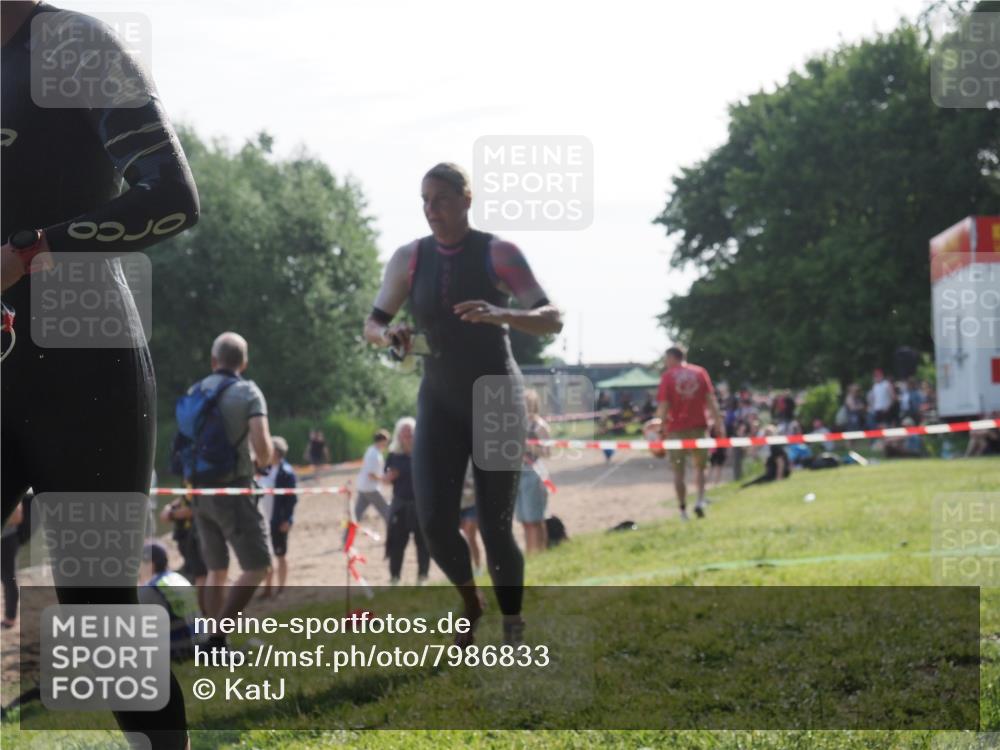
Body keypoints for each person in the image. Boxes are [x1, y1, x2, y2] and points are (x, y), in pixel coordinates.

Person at [1, 3, 199, 747]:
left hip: (85, 368)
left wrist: (29, 250)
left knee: (100, 619)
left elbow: (173, 197)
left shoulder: (71, 44)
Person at [363, 162, 561, 645]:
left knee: (495, 527)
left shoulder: (499, 253)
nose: (432, 210)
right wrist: (391, 336)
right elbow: (372, 325)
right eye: (425, 201)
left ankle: (512, 623)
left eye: (442, 200)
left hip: (497, 397)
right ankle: (471, 602)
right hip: (440, 399)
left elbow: (552, 318)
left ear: (466, 200)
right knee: (433, 522)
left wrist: (504, 314)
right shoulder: (409, 258)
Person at [184, 333, 273, 635]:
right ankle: (218, 637)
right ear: (244, 363)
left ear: (213, 361)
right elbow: (261, 443)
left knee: (216, 570)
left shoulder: (195, 390)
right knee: (258, 566)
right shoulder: (248, 392)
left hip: (198, 490)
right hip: (233, 488)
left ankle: (211, 641)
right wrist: (263, 461)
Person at [656, 345, 725, 520]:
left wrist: (659, 426)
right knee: (700, 468)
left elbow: (664, 406)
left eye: (666, 359)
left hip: (676, 431)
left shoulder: (668, 377)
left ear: (672, 357)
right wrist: (719, 424)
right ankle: (700, 501)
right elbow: (711, 401)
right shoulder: (700, 372)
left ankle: (682, 510)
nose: (666, 363)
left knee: (678, 473)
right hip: (699, 427)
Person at [383, 418, 429, 584]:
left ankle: (422, 576)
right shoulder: (394, 456)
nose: (407, 435)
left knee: (423, 542)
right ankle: (395, 577)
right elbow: (385, 479)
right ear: (399, 435)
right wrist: (389, 477)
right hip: (400, 504)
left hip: (420, 505)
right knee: (396, 543)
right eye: (404, 431)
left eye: (410, 431)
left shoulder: (423, 453)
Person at [138, 543, 202, 661]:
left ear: (150, 565)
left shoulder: (150, 589)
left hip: (180, 650)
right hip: (201, 641)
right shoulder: (177, 577)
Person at [260, 437, 298, 598]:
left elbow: (292, 499)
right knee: (265, 557)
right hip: (263, 520)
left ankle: (281, 588)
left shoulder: (287, 473)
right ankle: (267, 588)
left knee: (280, 555)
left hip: (278, 520)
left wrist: (288, 520)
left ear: (276, 451)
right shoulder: (263, 469)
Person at [516, 389, 551, 555]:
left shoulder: (539, 425)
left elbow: (547, 452)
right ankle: (531, 553)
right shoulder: (514, 424)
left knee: (535, 518)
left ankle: (538, 553)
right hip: (516, 474)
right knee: (524, 520)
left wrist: (528, 446)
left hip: (533, 473)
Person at [159, 492, 208, 609]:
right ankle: (199, 608)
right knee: (199, 574)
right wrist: (169, 508)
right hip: (186, 536)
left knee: (201, 574)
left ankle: (201, 608)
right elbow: (184, 498)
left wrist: (171, 514)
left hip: (196, 535)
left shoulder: (200, 481)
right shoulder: (191, 481)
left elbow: (194, 509)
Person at [348, 430, 391, 542]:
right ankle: (393, 537)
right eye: (386, 441)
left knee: (356, 516)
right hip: (371, 489)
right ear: (381, 440)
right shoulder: (374, 454)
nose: (387, 444)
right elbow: (371, 475)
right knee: (387, 512)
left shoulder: (372, 451)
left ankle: (346, 540)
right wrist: (385, 479)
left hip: (364, 487)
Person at [459, 461, 483, 576]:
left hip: (471, 502)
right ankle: (464, 569)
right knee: (460, 539)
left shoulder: (470, 461)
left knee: (470, 536)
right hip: (456, 504)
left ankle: (478, 566)